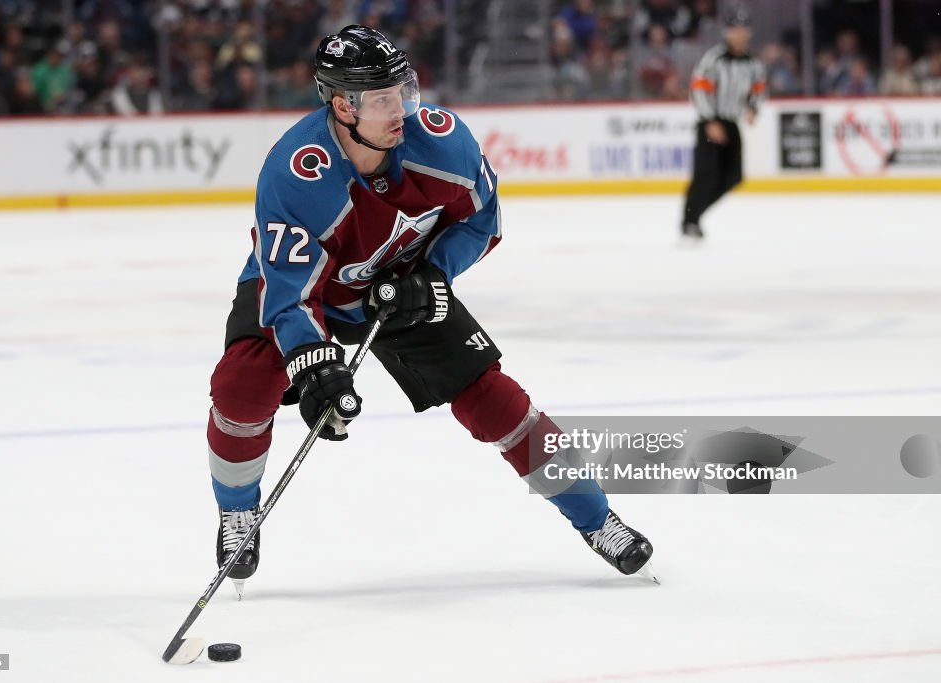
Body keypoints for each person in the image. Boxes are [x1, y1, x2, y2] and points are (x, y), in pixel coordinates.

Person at [205, 25, 655, 594]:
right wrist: (314, 364)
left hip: (401, 285)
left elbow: (482, 220)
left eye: (404, 91)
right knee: (243, 383)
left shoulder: (441, 142)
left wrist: (431, 275)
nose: (402, 110)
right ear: (344, 106)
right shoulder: (295, 172)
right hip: (306, 291)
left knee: (494, 399)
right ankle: (238, 513)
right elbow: (292, 294)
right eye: (384, 99)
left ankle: (598, 519)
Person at [681, 8, 766, 240]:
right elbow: (699, 89)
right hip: (711, 122)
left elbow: (758, 89)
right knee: (706, 174)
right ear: (727, 32)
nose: (739, 35)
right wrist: (709, 120)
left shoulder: (753, 63)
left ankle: (695, 215)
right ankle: (689, 220)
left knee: (734, 176)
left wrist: (753, 108)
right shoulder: (714, 59)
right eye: (734, 30)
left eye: (743, 30)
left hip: (731, 122)